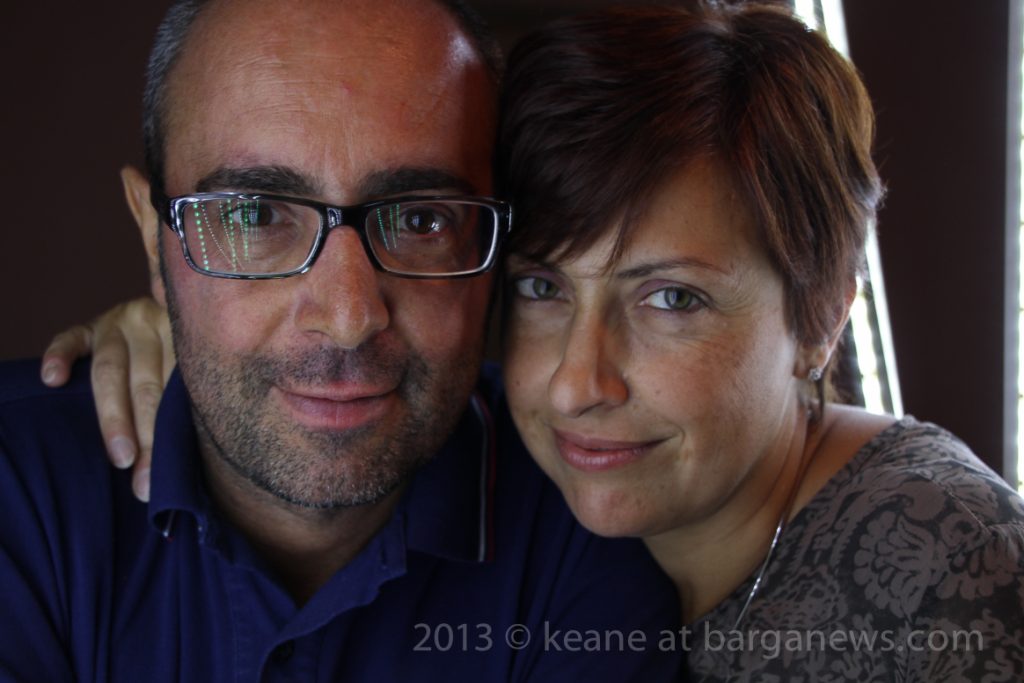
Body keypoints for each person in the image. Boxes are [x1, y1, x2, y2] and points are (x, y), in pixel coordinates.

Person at [39, 1, 1024, 681]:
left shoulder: (938, 568)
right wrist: (187, 307)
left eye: (672, 297)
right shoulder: (533, 472)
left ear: (821, 318)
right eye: (543, 287)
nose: (578, 381)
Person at [0, 0, 681, 681]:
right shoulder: (18, 483)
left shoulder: (590, 526)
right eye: (255, 215)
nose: (350, 316)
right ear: (156, 241)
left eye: (420, 219)